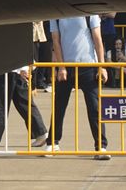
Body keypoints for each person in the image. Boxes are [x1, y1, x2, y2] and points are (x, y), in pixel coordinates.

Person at [46, 15, 110, 160]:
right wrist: (61, 67)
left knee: (94, 107)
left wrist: (102, 66)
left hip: (88, 66)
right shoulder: (55, 16)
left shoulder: (90, 14)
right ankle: (53, 142)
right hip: (67, 66)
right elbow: (56, 41)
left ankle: (101, 146)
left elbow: (97, 39)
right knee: (59, 106)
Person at [0, 65, 48, 148]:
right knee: (24, 103)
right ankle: (41, 133)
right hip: (14, 69)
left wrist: (24, 68)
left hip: (8, 69)